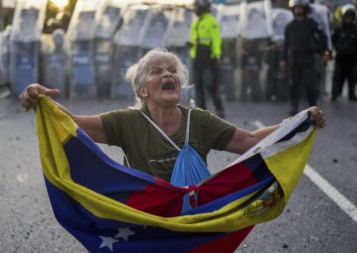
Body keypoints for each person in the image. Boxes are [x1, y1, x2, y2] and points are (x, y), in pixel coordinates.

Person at [19, 48, 326, 182]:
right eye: (157, 71)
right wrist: (38, 97)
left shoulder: (200, 121)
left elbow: (250, 141)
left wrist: (298, 121)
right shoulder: (127, 122)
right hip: (146, 220)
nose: (168, 75)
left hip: (193, 221)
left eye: (172, 71)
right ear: (142, 90)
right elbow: (71, 124)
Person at [280, 0, 327, 115]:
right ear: (293, 9)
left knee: (309, 83)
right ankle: (293, 105)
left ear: (305, 9)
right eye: (296, 7)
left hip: (308, 57)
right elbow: (286, 44)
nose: (298, 10)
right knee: (293, 83)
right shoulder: (290, 26)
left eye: (300, 7)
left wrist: (323, 51)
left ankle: (313, 107)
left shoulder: (312, 23)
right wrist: (283, 59)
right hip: (294, 57)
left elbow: (323, 37)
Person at [189, 0, 225, 118]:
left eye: (195, 7)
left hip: (209, 58)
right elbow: (194, 39)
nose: (194, 10)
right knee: (198, 85)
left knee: (211, 85)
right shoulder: (196, 22)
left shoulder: (211, 21)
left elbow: (216, 40)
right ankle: (201, 111)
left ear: (201, 7)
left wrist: (217, 56)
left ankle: (219, 110)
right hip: (197, 58)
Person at [331, 4, 357, 102]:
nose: (348, 19)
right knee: (337, 77)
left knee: (352, 78)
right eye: (346, 16)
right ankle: (335, 94)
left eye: (350, 17)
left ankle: (352, 94)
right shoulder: (338, 29)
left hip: (353, 59)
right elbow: (333, 41)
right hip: (340, 59)